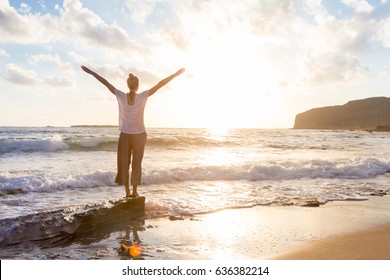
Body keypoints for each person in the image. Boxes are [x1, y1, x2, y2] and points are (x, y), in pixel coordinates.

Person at [81, 65, 185, 198]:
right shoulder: (143, 95)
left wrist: (90, 72)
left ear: (128, 85)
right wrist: (176, 74)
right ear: (137, 86)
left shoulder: (120, 95)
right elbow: (160, 84)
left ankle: (127, 192)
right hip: (139, 135)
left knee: (124, 163)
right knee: (136, 163)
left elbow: (105, 82)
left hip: (125, 135)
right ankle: (134, 191)